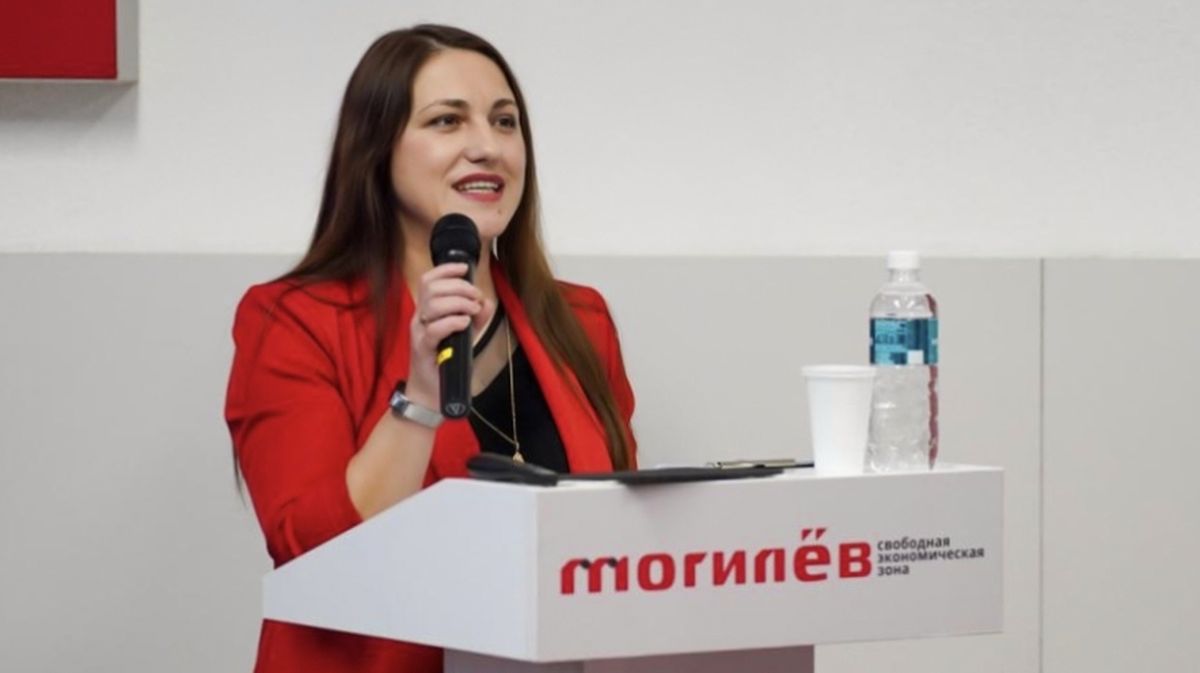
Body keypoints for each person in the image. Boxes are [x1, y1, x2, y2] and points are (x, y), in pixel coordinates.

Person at [223, 25, 637, 673]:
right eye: (447, 120)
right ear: (376, 149)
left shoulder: (581, 320)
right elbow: (311, 553)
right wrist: (418, 400)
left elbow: (617, 546)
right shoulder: (294, 320)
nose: (487, 146)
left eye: (505, 122)